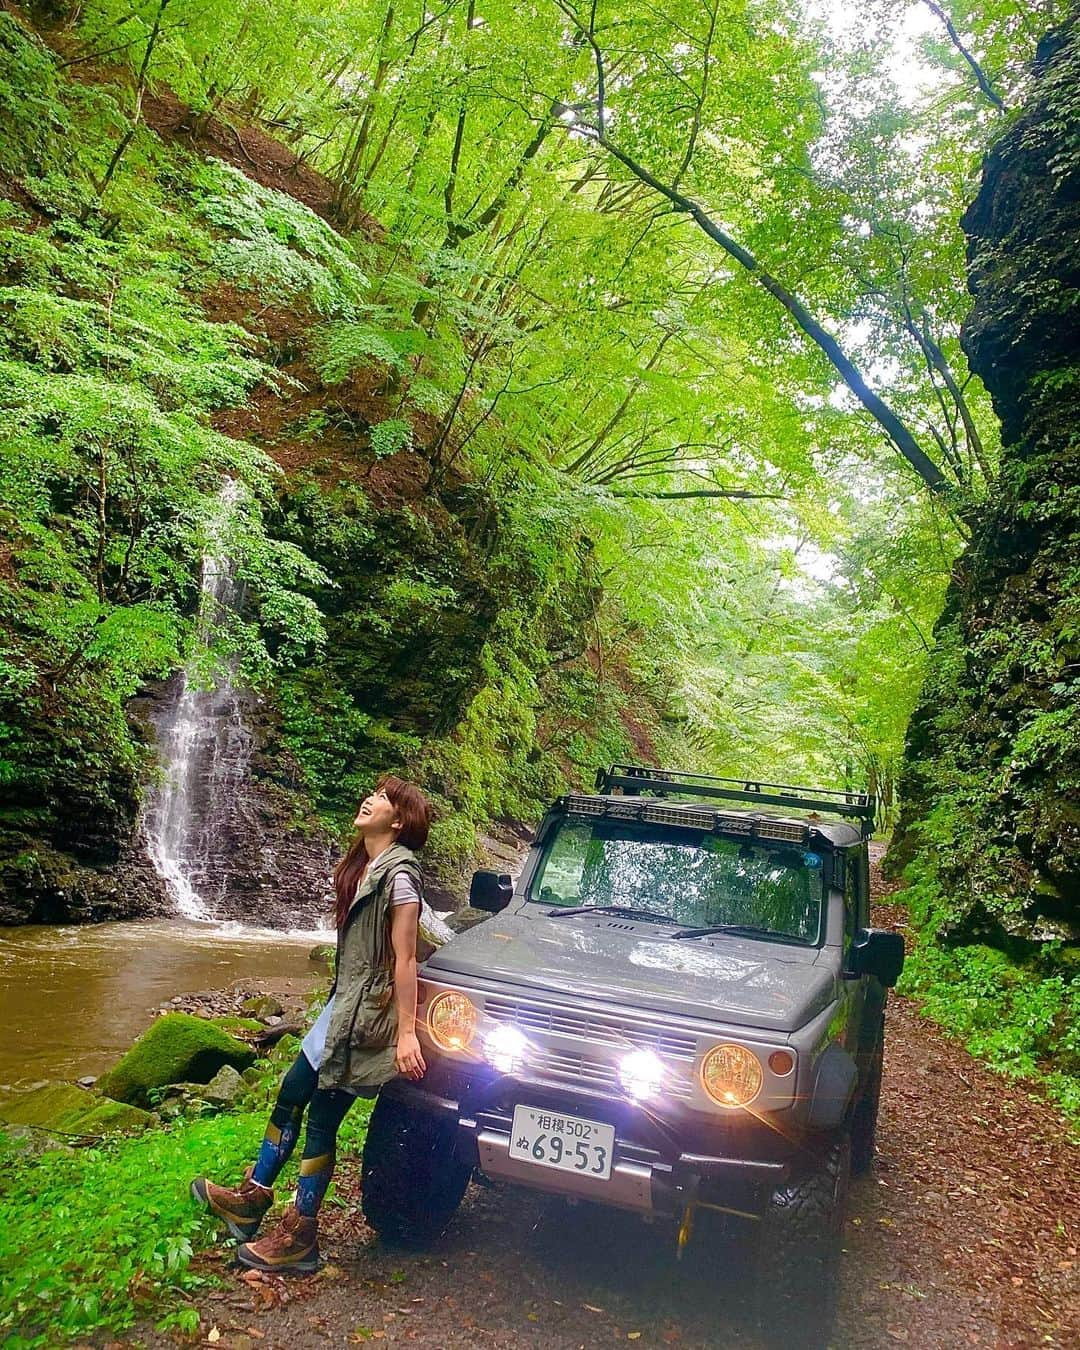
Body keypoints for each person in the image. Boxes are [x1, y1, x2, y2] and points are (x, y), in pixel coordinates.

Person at [191, 775, 431, 1273]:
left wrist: (407, 1034)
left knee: (322, 1118)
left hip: (367, 1021)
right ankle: (253, 1198)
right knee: (290, 1091)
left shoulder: (400, 878)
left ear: (399, 820)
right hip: (340, 1011)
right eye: (373, 792)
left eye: (382, 798)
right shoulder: (365, 869)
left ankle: (301, 1233)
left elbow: (405, 961)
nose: (369, 799)